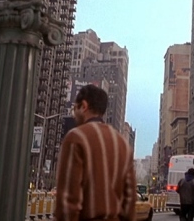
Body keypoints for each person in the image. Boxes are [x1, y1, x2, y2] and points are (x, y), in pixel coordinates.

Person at [55, 84, 136, 221]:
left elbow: (69, 200)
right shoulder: (122, 144)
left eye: (75, 108)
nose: (74, 115)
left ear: (84, 106)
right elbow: (130, 200)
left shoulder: (76, 138)